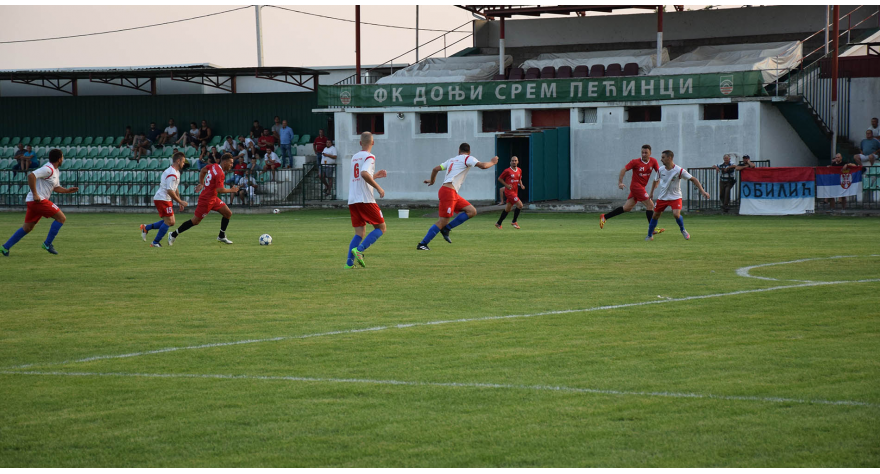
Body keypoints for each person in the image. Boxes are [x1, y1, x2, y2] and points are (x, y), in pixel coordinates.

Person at [417, 143, 498, 250]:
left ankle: (446, 229)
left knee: (471, 211)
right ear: (469, 152)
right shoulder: (467, 158)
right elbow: (483, 166)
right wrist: (493, 162)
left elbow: (435, 169)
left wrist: (432, 181)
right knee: (443, 221)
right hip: (448, 192)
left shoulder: (451, 160)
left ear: (458, 150)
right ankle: (423, 244)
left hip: (451, 192)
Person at [1, 149, 79, 257]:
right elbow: (31, 176)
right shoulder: (48, 169)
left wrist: (67, 190)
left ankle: (5, 247)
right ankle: (47, 244)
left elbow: (55, 187)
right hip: (38, 200)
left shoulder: (55, 171)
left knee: (27, 228)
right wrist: (35, 194)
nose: (63, 159)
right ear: (59, 159)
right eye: (62, 157)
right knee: (61, 218)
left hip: (35, 201)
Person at [168, 153, 240, 246]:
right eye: (230, 163)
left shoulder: (214, 166)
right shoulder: (220, 173)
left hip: (213, 198)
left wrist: (201, 183)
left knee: (228, 213)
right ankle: (173, 234)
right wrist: (232, 190)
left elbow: (203, 170)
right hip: (206, 200)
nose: (232, 165)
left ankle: (221, 236)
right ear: (225, 162)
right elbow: (220, 190)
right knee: (195, 221)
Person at [646, 150, 710, 241]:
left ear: (670, 158)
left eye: (663, 157)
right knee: (655, 215)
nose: (661, 159)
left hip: (675, 197)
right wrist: (651, 192)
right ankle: (649, 236)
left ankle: (683, 230)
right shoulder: (661, 170)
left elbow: (693, 179)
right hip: (663, 197)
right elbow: (655, 180)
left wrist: (703, 191)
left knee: (676, 214)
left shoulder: (679, 170)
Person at [346, 131, 387, 269]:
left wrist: (374, 176)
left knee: (359, 233)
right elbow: (363, 174)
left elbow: (359, 177)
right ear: (373, 142)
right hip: (365, 199)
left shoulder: (355, 157)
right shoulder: (370, 156)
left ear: (360, 143)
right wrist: (378, 188)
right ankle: (359, 250)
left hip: (353, 199)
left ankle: (349, 263)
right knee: (381, 228)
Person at [600, 144, 664, 234]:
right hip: (636, 187)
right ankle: (652, 228)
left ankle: (604, 217)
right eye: (642, 152)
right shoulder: (635, 162)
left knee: (627, 208)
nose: (644, 154)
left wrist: (657, 182)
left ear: (650, 153)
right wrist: (620, 182)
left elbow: (659, 173)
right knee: (650, 205)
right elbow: (623, 170)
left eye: (646, 152)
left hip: (641, 187)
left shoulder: (653, 161)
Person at [140, 152, 188, 248]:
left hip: (164, 199)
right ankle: (155, 242)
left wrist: (179, 201)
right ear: (178, 161)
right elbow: (170, 190)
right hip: (162, 199)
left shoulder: (176, 172)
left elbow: (175, 187)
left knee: (171, 222)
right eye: (183, 162)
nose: (184, 164)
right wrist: (180, 201)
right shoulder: (172, 173)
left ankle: (146, 228)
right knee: (169, 222)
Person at [495, 156, 526, 229]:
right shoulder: (507, 171)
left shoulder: (519, 170)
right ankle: (514, 221)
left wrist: (521, 185)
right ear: (510, 162)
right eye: (512, 161)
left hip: (515, 192)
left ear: (518, 162)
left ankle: (498, 223)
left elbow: (519, 179)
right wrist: (506, 185)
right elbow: (500, 178)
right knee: (520, 205)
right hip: (509, 192)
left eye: (515, 160)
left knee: (508, 209)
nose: (514, 162)